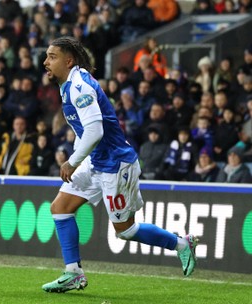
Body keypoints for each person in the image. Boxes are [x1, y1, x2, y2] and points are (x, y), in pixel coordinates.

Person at [41, 36, 199, 293]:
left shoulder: (79, 85)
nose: (45, 62)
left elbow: (95, 131)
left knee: (125, 231)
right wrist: (79, 154)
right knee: (60, 208)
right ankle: (73, 273)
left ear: (69, 61)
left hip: (116, 165)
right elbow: (85, 131)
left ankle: (181, 244)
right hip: (96, 161)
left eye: (52, 57)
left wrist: (71, 161)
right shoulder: (67, 84)